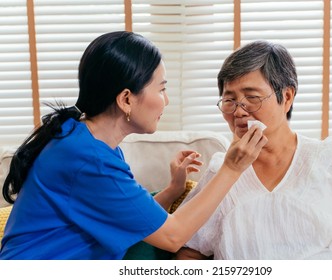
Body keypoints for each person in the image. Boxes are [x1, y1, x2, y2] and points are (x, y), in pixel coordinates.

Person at [0, 31, 267, 260]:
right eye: (161, 89)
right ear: (126, 99)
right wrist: (232, 168)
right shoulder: (89, 160)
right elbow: (172, 236)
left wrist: (174, 189)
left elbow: (135, 218)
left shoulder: (86, 140)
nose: (166, 100)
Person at [175, 40, 332, 260]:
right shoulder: (220, 173)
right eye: (229, 99)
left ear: (286, 97)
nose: (239, 111)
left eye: (252, 97)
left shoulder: (330, 160)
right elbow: (190, 251)